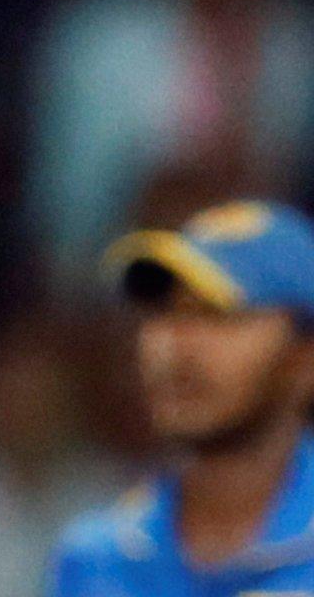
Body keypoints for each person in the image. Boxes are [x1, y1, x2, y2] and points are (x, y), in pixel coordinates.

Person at [49, 201, 314, 594]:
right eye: (163, 313)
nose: (176, 345)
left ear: (304, 359)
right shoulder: (96, 558)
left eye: (218, 315)